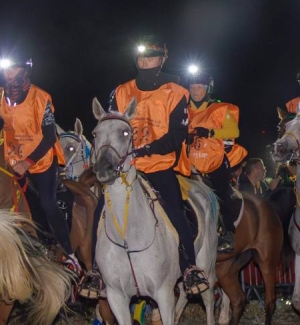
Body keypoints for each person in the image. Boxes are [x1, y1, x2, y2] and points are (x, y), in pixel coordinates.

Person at [81, 38, 210, 299]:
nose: (145, 62)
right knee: (99, 212)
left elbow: (177, 135)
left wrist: (146, 149)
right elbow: (111, 125)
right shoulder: (120, 91)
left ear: (162, 59)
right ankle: (95, 272)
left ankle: (189, 267)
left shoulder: (176, 92)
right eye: (141, 58)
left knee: (176, 211)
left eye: (151, 58)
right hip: (124, 169)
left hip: (158, 165)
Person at [0, 55, 76, 271]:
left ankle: (68, 252)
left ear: (24, 70)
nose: (9, 73)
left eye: (14, 68)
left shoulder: (41, 97)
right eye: (6, 68)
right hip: (11, 162)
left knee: (47, 203)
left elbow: (49, 137)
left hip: (40, 162)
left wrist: (28, 162)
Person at [184, 66, 241, 252]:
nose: (195, 90)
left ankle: (228, 233)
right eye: (192, 87)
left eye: (199, 87)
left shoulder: (221, 108)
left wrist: (210, 132)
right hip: (187, 162)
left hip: (213, 160)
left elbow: (234, 131)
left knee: (223, 192)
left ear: (208, 88)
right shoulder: (182, 110)